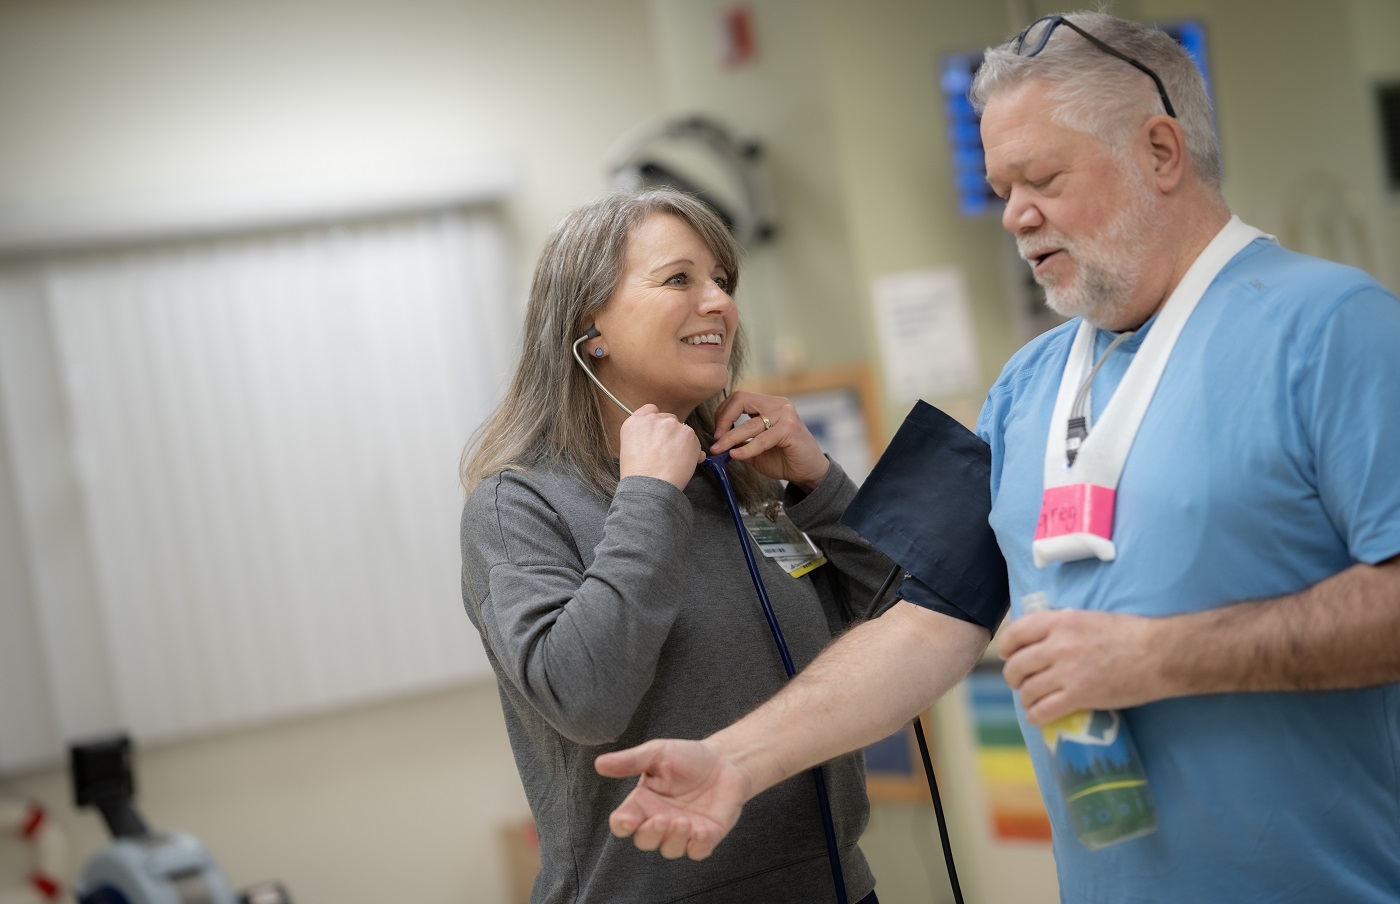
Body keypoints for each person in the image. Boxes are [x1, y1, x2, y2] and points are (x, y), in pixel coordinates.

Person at [595, 11, 1400, 903]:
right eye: (1000, 185)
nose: (1014, 215)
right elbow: (926, 623)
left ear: (1162, 152)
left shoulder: (1335, 329)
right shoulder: (1025, 385)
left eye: (1043, 178)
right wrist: (733, 760)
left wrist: (1162, 658)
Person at [459, 186, 898, 904]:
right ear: (589, 326)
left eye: (722, 282)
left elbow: (908, 619)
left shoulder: (737, 479)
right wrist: (648, 498)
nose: (720, 302)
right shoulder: (519, 505)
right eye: (679, 279)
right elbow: (585, 697)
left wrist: (819, 484)